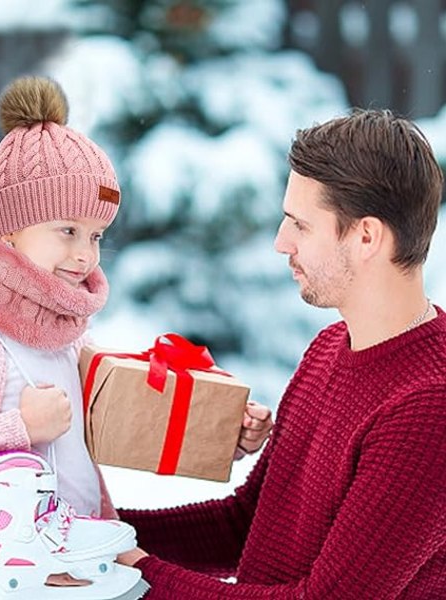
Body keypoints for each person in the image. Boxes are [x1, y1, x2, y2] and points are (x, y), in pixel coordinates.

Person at [0, 76, 271, 600]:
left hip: (84, 577)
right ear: (10, 230)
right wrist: (17, 427)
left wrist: (222, 433)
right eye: (67, 231)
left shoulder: (66, 341)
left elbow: (132, 428)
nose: (86, 255)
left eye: (96, 235)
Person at [117, 109, 446, 599]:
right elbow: (245, 523)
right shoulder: (329, 347)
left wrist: (142, 573)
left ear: (366, 237)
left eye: (301, 225)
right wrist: (103, 530)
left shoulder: (428, 407)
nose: (280, 242)